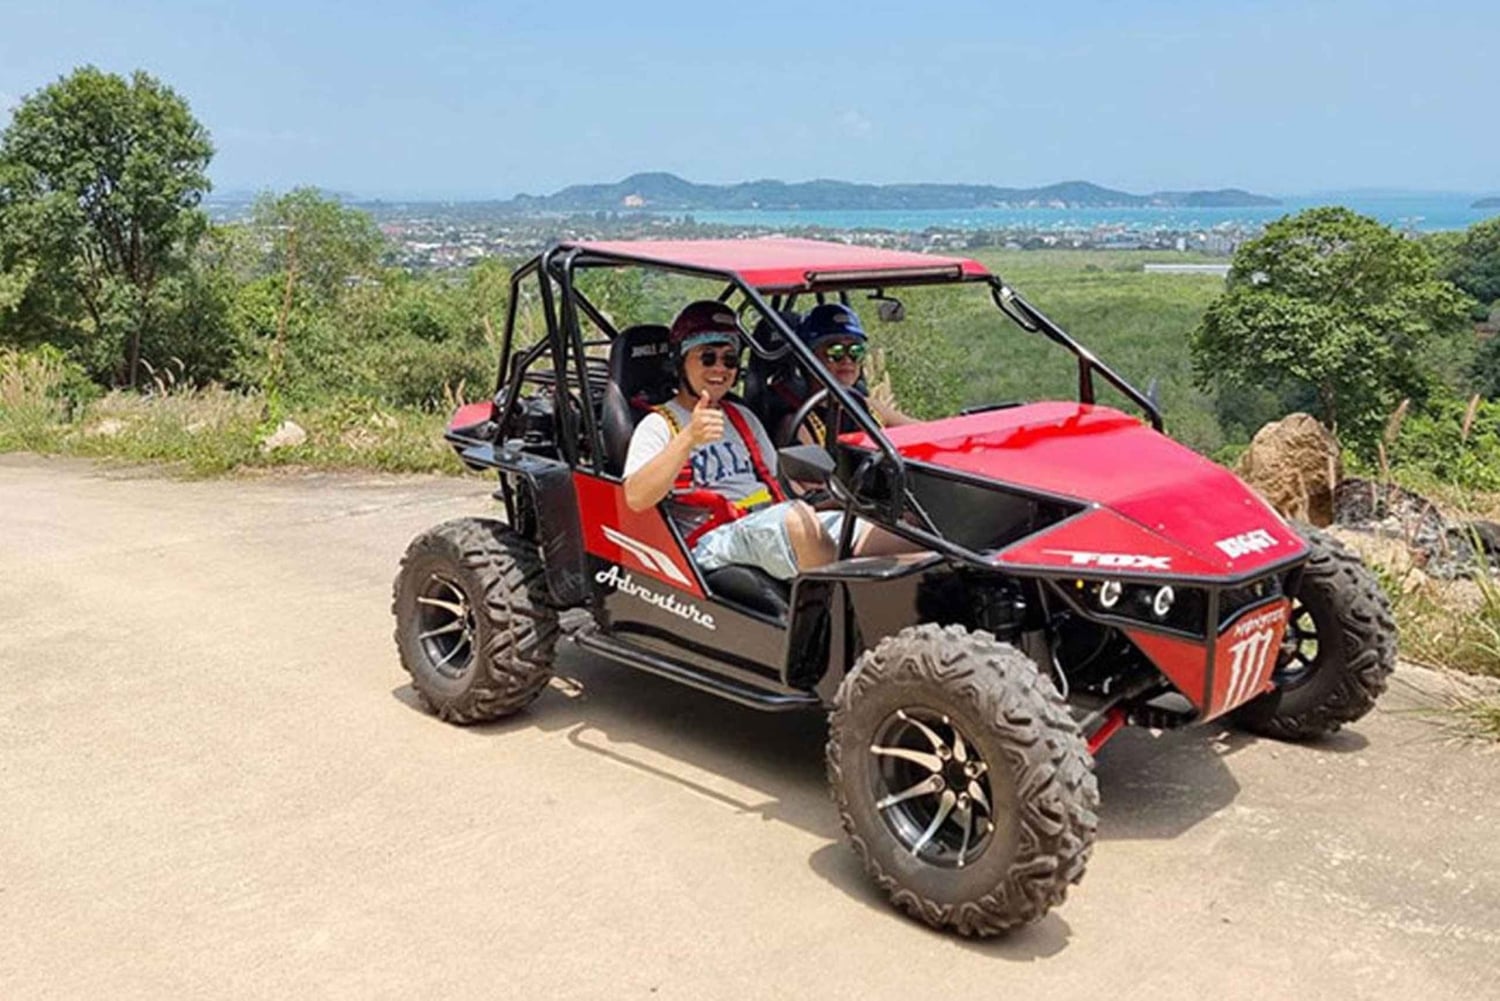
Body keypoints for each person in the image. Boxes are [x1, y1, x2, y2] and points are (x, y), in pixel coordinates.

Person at [623, 300, 846, 581]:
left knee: (883, 530)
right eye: (707, 357)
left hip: (767, 520)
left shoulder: (741, 416)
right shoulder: (658, 425)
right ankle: (837, 620)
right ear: (681, 361)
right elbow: (635, 496)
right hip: (711, 540)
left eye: (729, 359)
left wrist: (830, 498)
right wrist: (688, 438)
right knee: (798, 522)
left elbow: (780, 479)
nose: (720, 368)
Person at [793, 303, 914, 444]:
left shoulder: (869, 408)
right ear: (809, 358)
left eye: (856, 351)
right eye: (835, 351)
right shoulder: (800, 424)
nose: (847, 360)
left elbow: (926, 432)